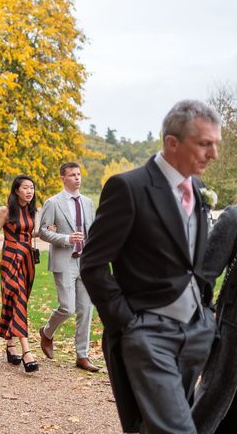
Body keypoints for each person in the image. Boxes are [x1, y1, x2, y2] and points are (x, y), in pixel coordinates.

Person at [80, 99, 221, 434]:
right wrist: (130, 324)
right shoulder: (128, 188)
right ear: (172, 143)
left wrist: (205, 313)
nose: (213, 153)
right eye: (204, 144)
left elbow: (191, 261)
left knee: (151, 426)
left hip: (194, 333)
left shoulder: (199, 189)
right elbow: (93, 264)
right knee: (177, 429)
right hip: (148, 334)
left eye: (215, 143)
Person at [38, 162, 99, 372]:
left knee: (86, 309)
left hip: (86, 262)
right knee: (67, 307)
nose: (77, 178)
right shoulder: (52, 203)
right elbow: (44, 231)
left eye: (79, 174)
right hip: (64, 261)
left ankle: (82, 356)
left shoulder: (88, 202)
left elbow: (92, 231)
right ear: (63, 178)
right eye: (72, 175)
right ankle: (46, 333)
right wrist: (66, 238)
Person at [0, 175, 40, 372]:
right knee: (17, 298)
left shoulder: (32, 211)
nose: (29, 191)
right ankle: (27, 351)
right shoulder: (5, 211)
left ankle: (10, 344)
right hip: (10, 258)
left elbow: (30, 232)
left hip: (27, 260)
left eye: (32, 188)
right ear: (16, 190)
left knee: (16, 300)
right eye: (25, 187)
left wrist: (45, 230)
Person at [192, 205, 237, 433]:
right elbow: (203, 274)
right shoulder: (234, 217)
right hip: (232, 334)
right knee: (213, 404)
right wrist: (207, 315)